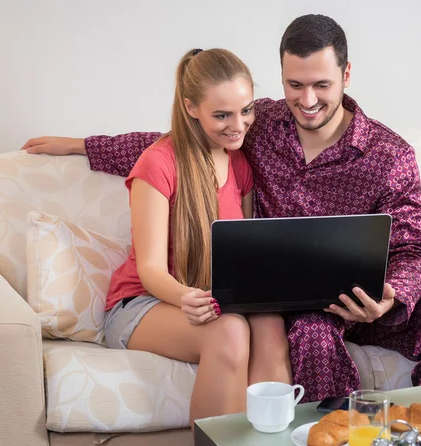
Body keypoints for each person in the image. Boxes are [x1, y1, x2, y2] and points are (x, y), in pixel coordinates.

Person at [22, 15, 421, 403]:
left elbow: (419, 252)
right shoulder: (258, 122)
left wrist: (389, 295)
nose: (307, 101)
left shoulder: (390, 155)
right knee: (309, 334)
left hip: (373, 300)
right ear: (281, 76)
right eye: (295, 84)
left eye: (322, 85)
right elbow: (177, 143)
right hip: (305, 308)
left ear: (347, 76)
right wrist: (82, 145)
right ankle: (328, 434)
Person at [76, 48, 292, 423]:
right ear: (191, 107)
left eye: (246, 110)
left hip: (210, 295)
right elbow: (151, 270)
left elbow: (240, 256)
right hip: (142, 303)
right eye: (222, 115)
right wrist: (186, 297)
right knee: (230, 333)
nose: (238, 125)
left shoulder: (238, 162)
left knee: (270, 324)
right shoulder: (158, 163)